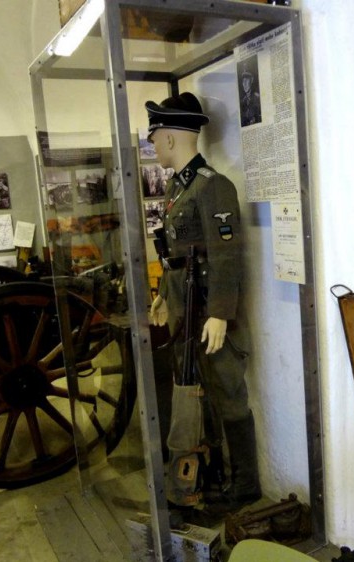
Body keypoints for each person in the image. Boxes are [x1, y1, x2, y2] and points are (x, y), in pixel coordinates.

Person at [146, 92, 261, 515]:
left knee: (226, 392)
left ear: (170, 138)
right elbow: (175, 253)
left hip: (209, 309)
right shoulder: (178, 187)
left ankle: (244, 486)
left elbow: (226, 256)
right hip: (184, 306)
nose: (153, 145)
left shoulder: (213, 186)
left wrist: (219, 314)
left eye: (155, 137)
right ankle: (211, 474)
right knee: (199, 393)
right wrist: (163, 295)